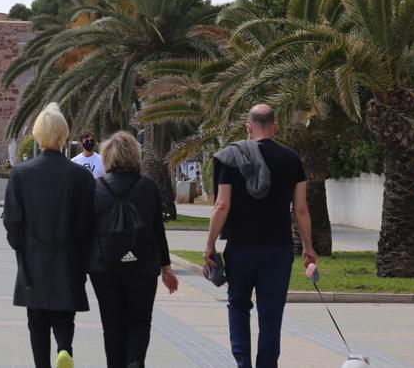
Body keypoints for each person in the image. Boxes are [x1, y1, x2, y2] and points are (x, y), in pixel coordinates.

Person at [204, 104, 315, 368]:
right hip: (278, 250)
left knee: (239, 306)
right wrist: (308, 248)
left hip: (241, 248)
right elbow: (300, 209)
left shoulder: (230, 158)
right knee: (271, 314)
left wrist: (209, 245)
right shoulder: (292, 160)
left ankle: (242, 363)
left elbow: (222, 205)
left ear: (248, 127)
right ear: (275, 127)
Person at [3, 102, 95, 368]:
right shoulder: (81, 176)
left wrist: (19, 244)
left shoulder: (21, 174)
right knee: (65, 314)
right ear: (64, 134)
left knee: (37, 318)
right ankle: (64, 348)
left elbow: (12, 220)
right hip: (69, 257)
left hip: (33, 257)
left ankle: (42, 364)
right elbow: (88, 223)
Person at [88, 131, 178, 368]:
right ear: (135, 155)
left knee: (112, 323)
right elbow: (158, 231)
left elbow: (87, 231)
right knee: (140, 321)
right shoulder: (148, 187)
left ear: (107, 156)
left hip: (104, 268)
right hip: (143, 266)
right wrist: (166, 268)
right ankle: (135, 361)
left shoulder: (95, 189)